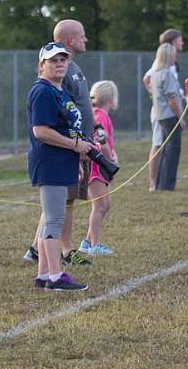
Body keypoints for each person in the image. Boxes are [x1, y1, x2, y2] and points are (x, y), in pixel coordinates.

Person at [23, 20, 93, 267]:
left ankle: (43, 265)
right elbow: (42, 130)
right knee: (57, 211)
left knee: (58, 209)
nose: (60, 64)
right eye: (54, 60)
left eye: (63, 60)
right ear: (42, 65)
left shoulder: (64, 80)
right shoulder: (43, 90)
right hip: (55, 157)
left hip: (69, 154)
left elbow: (75, 113)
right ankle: (57, 265)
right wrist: (76, 147)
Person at [80, 81, 119, 257]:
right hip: (96, 167)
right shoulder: (101, 117)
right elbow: (100, 143)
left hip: (99, 165)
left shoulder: (99, 115)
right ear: (111, 99)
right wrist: (110, 159)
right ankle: (94, 245)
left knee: (105, 204)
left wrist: (112, 154)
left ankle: (87, 242)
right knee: (100, 206)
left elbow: (107, 143)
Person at [146, 40, 186, 192]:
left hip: (160, 115)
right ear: (168, 56)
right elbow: (172, 99)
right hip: (169, 116)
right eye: (173, 55)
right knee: (172, 150)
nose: (175, 57)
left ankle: (159, 183)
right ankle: (167, 185)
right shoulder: (167, 74)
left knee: (164, 149)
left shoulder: (155, 74)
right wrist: (180, 118)